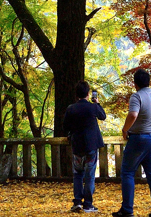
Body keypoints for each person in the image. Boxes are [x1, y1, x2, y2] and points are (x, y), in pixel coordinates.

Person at [114, 69, 151, 217]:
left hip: (139, 139)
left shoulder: (136, 96)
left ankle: (127, 210)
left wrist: (125, 129)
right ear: (149, 81)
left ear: (135, 83)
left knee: (128, 172)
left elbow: (133, 114)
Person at [62, 81, 107, 213]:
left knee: (77, 174)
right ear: (88, 94)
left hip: (77, 145)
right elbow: (103, 116)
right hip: (91, 146)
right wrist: (97, 103)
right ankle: (88, 204)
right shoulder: (92, 107)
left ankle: (77, 202)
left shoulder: (71, 108)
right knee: (89, 175)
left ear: (76, 95)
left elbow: (65, 127)